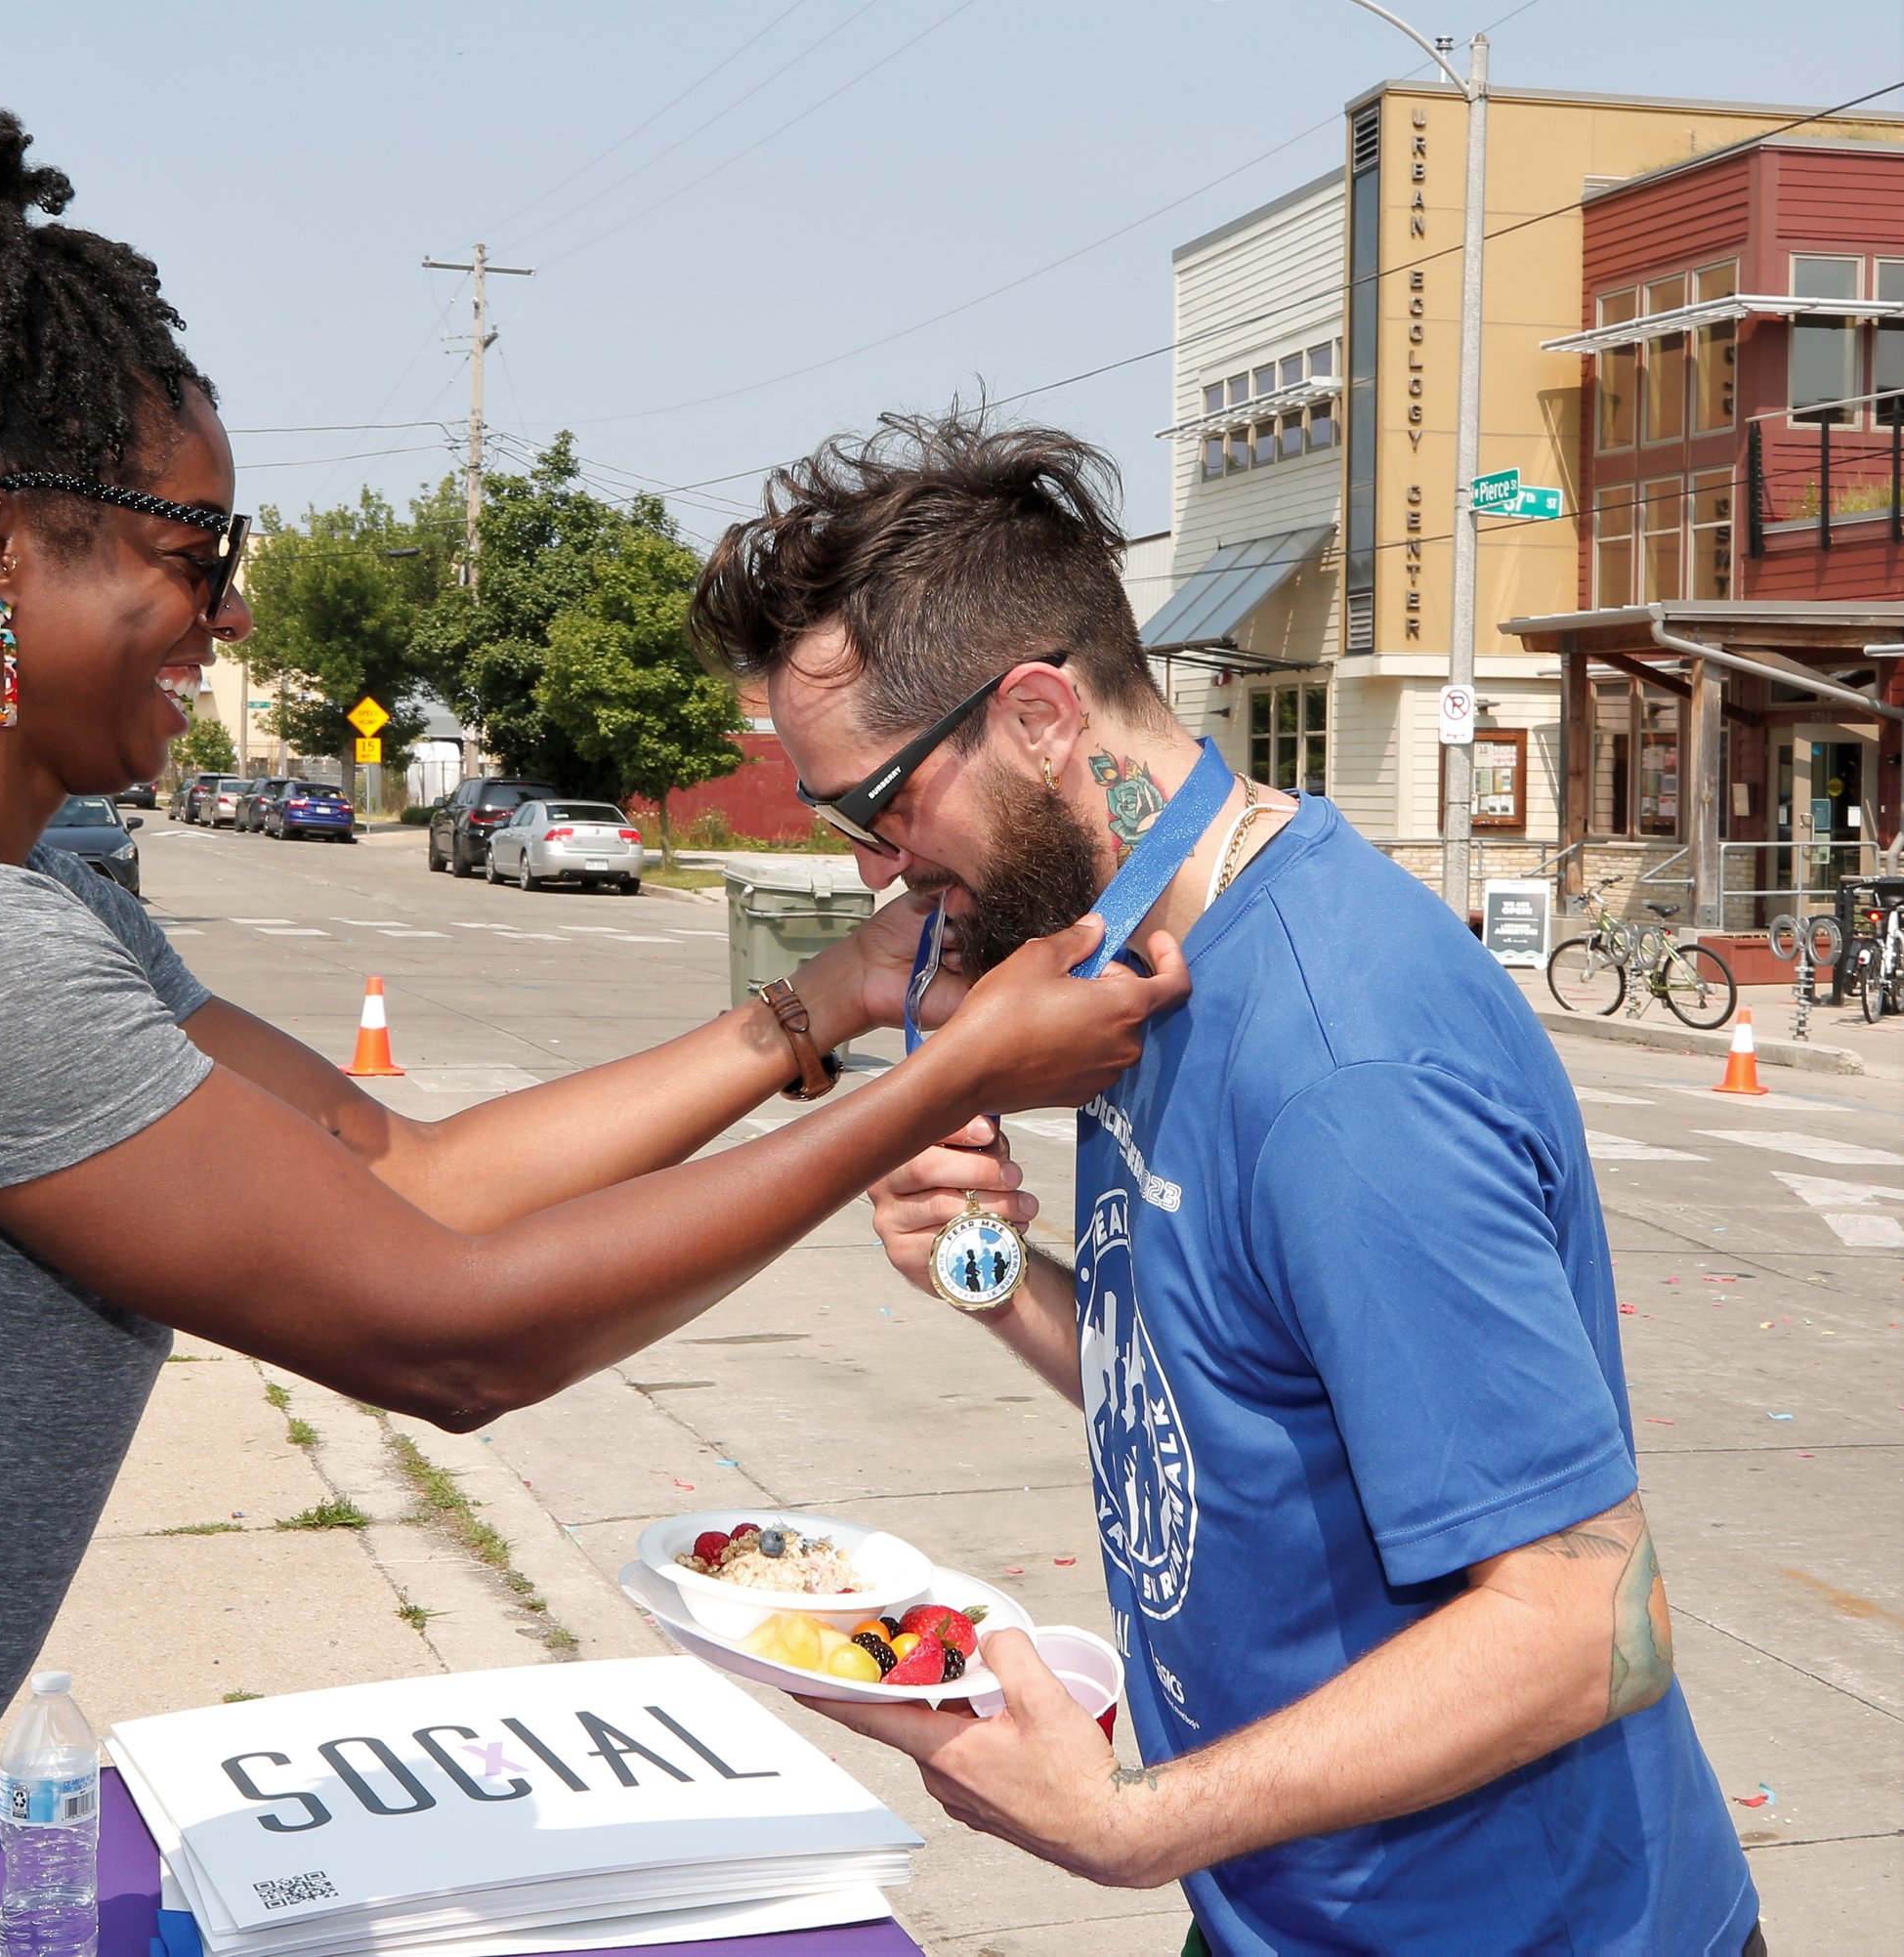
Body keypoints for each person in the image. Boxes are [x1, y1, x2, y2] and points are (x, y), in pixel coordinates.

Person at [0, 98, 1187, 1956]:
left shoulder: (32, 892)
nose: (231, 606)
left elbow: (404, 1171)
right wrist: (944, 1075)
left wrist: (819, 1007)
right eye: (197, 550)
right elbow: (443, 1337)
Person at [689, 411, 1760, 1956]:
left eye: (880, 806)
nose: (873, 868)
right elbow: (1212, 1398)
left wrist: (1126, 1829)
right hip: (1284, 1897)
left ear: (1043, 717)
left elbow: (1588, 1620)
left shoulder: (1344, 1064)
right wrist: (982, 1269)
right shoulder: (1144, 968)